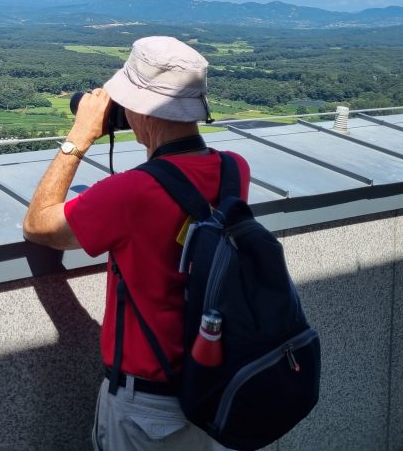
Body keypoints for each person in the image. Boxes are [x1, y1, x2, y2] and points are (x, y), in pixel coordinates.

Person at [23, 36, 250, 451]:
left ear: (141, 109)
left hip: (148, 409)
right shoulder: (235, 171)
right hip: (218, 388)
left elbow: (39, 225)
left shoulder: (132, 193)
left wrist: (79, 137)